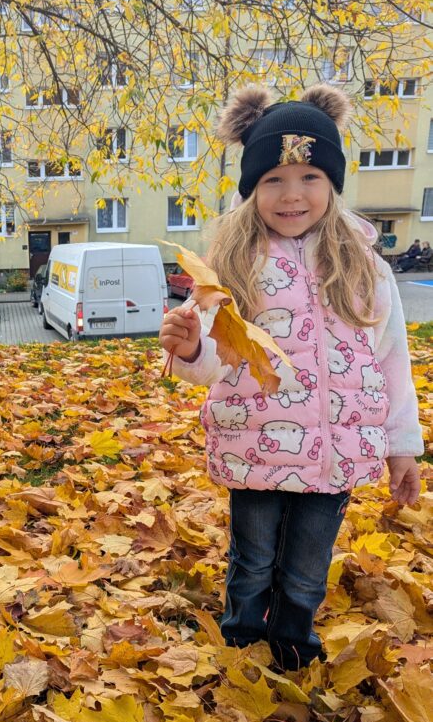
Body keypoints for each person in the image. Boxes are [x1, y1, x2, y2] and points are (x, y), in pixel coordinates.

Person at [160, 83, 423, 672]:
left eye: (310, 177)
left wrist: (402, 446)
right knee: (252, 561)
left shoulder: (365, 267)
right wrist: (192, 347)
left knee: (306, 568)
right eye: (273, 179)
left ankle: (293, 648)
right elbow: (215, 361)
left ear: (332, 183)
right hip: (257, 446)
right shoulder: (232, 265)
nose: (292, 194)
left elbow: (390, 360)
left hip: (335, 452)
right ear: (252, 188)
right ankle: (242, 645)